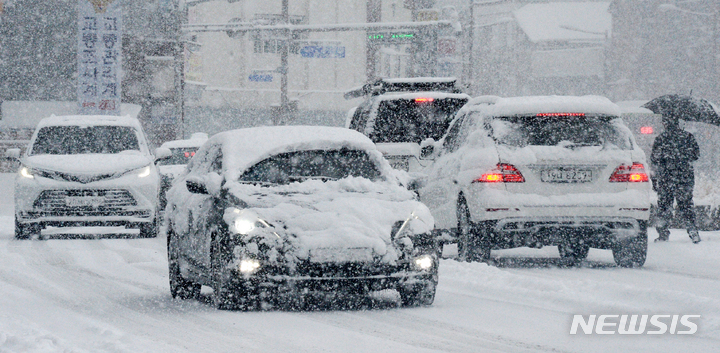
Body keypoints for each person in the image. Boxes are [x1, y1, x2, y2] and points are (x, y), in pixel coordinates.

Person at [651, 115, 701, 243]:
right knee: (686, 204)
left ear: (665, 123)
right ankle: (693, 231)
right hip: (685, 177)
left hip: (666, 177)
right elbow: (696, 155)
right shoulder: (688, 137)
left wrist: (666, 158)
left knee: (664, 205)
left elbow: (654, 158)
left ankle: (663, 233)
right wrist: (682, 156)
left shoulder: (661, 138)